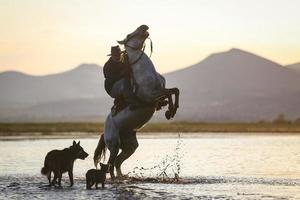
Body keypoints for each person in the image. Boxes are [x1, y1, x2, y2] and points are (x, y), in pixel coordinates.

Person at [103, 45, 141, 110]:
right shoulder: (108, 66)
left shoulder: (124, 61)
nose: (117, 57)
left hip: (124, 84)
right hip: (112, 88)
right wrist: (122, 74)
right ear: (112, 56)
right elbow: (111, 78)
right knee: (124, 81)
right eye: (115, 56)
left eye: (118, 55)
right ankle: (132, 102)